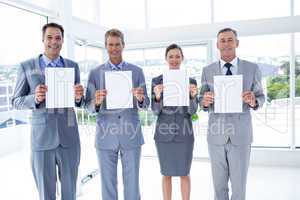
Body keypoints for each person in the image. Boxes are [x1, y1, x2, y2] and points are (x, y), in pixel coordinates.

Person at [12, 22, 84, 200]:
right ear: (43, 40)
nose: (54, 41)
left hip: (69, 137)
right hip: (42, 139)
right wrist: (34, 99)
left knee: (70, 193)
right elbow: (16, 101)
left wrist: (78, 96)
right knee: (46, 194)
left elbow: (79, 102)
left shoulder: (72, 66)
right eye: (49, 37)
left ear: (62, 41)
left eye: (58, 38)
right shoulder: (26, 66)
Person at [199, 28, 265, 200]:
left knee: (239, 187)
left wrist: (253, 101)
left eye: (230, 39)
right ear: (217, 45)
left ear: (237, 43)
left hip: (240, 136)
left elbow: (261, 96)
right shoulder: (207, 70)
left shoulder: (252, 68)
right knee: (219, 187)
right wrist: (204, 101)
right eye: (223, 40)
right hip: (216, 136)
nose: (226, 43)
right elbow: (202, 99)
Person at [84, 28, 149, 200]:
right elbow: (87, 107)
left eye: (117, 44)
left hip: (131, 134)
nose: (114, 48)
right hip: (105, 136)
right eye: (110, 45)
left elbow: (146, 104)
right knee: (108, 184)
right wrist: (95, 102)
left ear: (123, 45)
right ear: (105, 46)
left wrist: (141, 99)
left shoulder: (136, 71)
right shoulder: (95, 73)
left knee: (132, 184)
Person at [151, 44, 198, 200]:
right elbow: (155, 110)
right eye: (171, 56)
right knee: (166, 174)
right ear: (166, 59)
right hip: (164, 134)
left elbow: (192, 110)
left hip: (185, 134)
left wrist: (192, 96)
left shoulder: (190, 81)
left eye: (177, 56)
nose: (174, 59)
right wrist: (157, 97)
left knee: (184, 173)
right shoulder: (157, 81)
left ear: (182, 58)